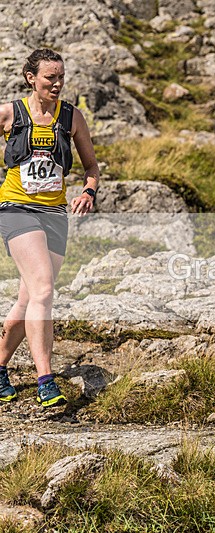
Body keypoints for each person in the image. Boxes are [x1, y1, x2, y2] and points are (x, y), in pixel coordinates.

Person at [0, 48, 98, 407]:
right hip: (17, 208)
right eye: (49, 78)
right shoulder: (9, 113)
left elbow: (91, 168)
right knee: (43, 288)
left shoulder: (71, 117)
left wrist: (88, 192)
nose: (57, 84)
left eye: (61, 78)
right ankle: (46, 380)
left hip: (55, 214)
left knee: (29, 298)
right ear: (31, 78)